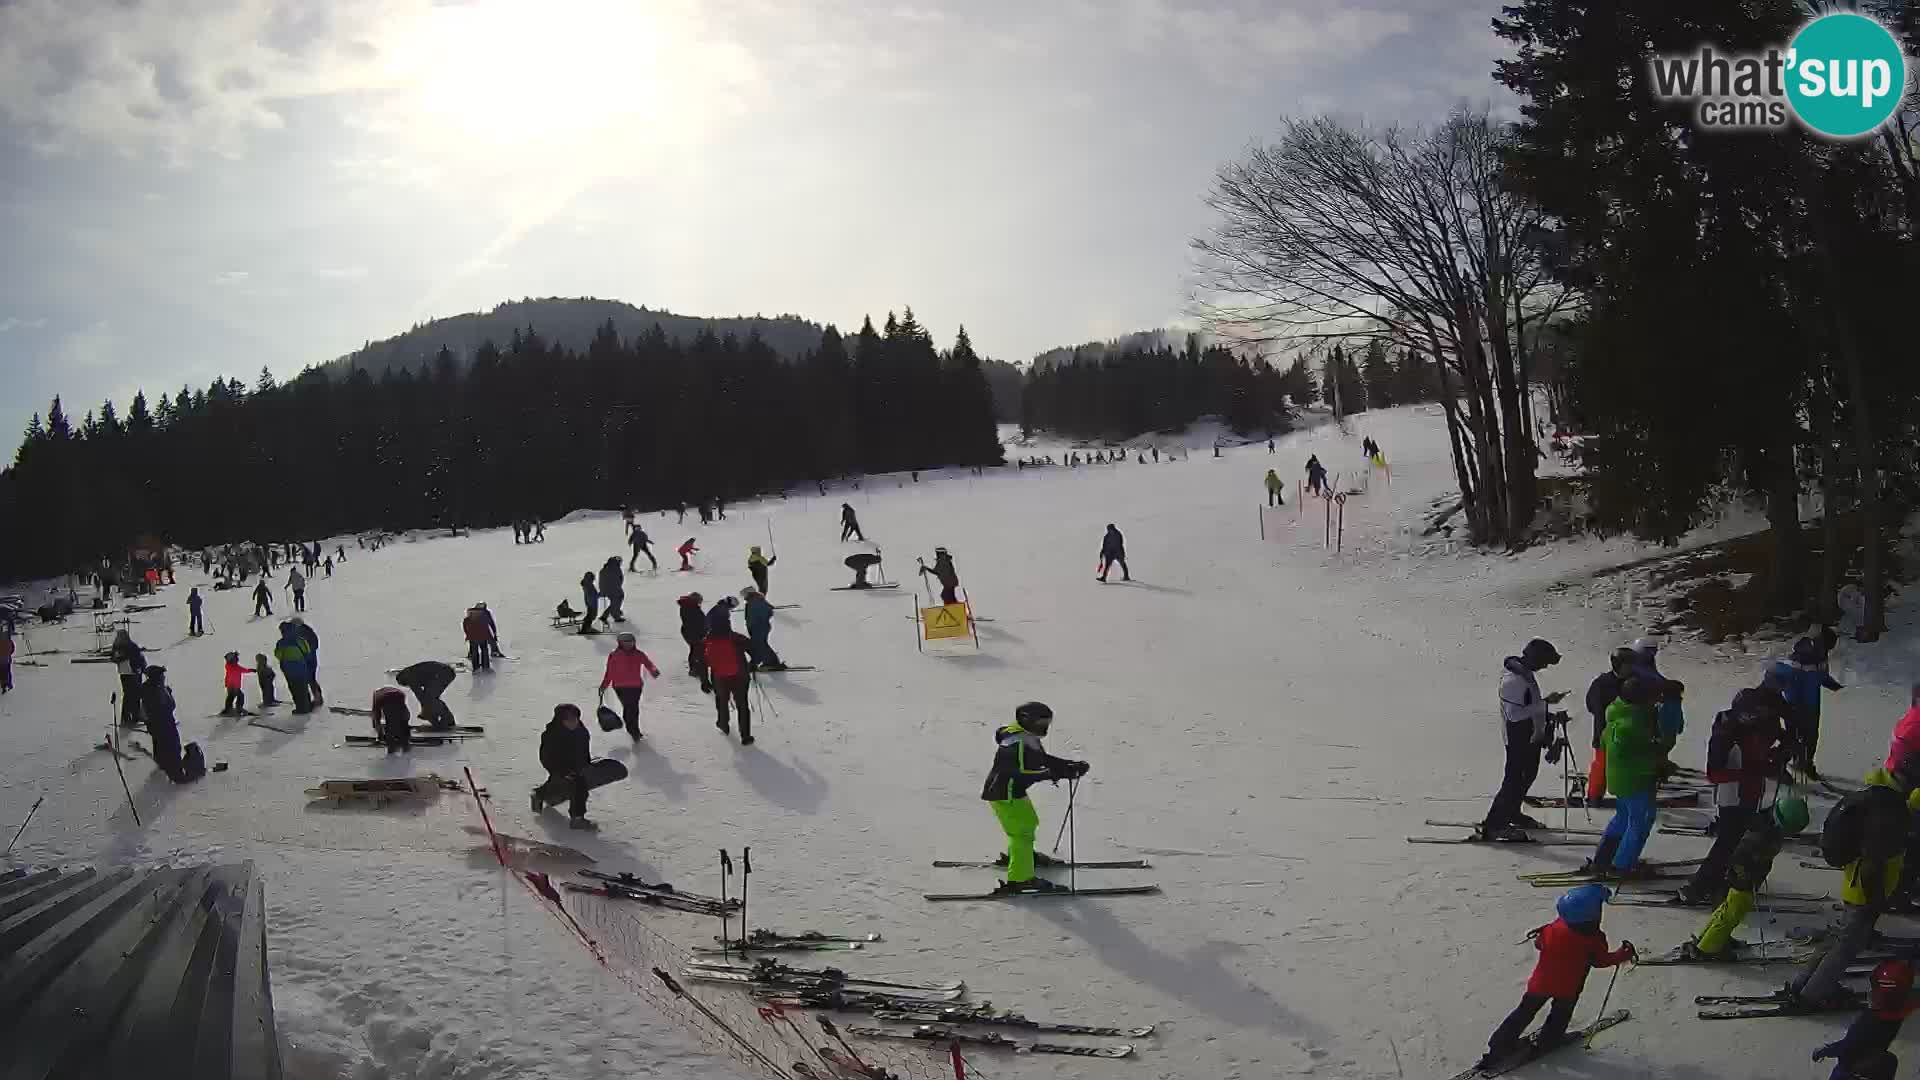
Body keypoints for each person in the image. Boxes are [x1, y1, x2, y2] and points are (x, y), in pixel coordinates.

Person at [1788, 765, 1915, 1006]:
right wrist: (1877, 899)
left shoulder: (1875, 795)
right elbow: (1872, 866)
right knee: (1847, 946)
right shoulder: (1888, 811)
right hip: (1864, 891)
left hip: (1854, 883)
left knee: (1839, 939)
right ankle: (1814, 993)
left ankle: (1804, 983)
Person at [1477, 884, 1634, 1069]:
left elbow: (1539, 943)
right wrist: (1622, 955)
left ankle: (1500, 1044)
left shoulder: (1554, 927)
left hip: (1539, 983)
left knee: (1523, 1013)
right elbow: (1600, 960)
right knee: (1560, 1013)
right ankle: (1551, 1039)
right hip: (1568, 987)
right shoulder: (1594, 939)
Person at [1678, 668, 1794, 904]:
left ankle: (1721, 881)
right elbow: (1715, 773)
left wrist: (1777, 756)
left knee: (1739, 840)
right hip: (1732, 796)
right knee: (1727, 842)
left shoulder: (1753, 729)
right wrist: (1755, 770)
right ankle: (1699, 886)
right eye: (1755, 716)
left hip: (1752, 792)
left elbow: (1762, 752)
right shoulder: (1725, 734)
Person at [979, 702, 1089, 894]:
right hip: (1006, 793)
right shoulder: (1016, 743)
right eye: (1040, 722)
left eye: (1047, 722)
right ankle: (1021, 879)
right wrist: (1057, 773)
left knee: (1028, 824)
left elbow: (1041, 760)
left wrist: (1069, 765)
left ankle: (1023, 857)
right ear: (1026, 720)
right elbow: (1023, 771)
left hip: (1012, 791)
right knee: (1021, 833)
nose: (1044, 726)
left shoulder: (1026, 737)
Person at [1684, 795, 1810, 958]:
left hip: (1749, 877)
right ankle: (1709, 948)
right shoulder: (1761, 834)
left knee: (1727, 910)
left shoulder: (1768, 827)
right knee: (1731, 913)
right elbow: (1739, 857)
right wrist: (1744, 877)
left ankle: (1712, 939)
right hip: (1742, 880)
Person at [1478, 638, 1566, 840]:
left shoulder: (1525, 675)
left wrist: (1548, 715)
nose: (1545, 667)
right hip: (1517, 735)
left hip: (1531, 733)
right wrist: (1545, 704)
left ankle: (1512, 813)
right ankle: (1495, 824)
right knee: (1513, 780)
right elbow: (1515, 715)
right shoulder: (1513, 681)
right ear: (1535, 659)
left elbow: (1529, 706)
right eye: (1544, 662)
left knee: (1528, 775)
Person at [1586, 676, 1661, 877]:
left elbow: (1605, 746)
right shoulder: (1632, 724)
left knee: (1623, 817)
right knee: (1640, 821)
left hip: (1620, 778)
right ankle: (1622, 865)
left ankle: (1604, 858)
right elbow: (1636, 753)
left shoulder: (1616, 714)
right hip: (1635, 779)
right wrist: (1656, 767)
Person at [1812, 959, 1919, 1080]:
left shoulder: (1868, 1022)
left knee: (1843, 1070)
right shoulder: (1898, 1014)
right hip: (1876, 1063)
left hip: (1852, 1069)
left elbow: (1847, 1046)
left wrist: (1824, 1051)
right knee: (1889, 1060)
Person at [1786, 635, 1844, 777]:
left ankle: (1805, 762)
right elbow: (1815, 676)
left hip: (1805, 700)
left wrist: (1834, 686)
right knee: (1800, 732)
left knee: (1807, 733)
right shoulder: (1807, 657)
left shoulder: (1818, 655)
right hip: (1799, 700)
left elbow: (1821, 676)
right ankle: (1797, 760)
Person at [1583, 648, 1634, 803]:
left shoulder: (1633, 682)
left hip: (1628, 733)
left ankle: (1628, 794)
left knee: (1627, 765)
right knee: (1602, 766)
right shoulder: (1602, 683)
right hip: (1604, 731)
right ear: (1617, 665)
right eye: (1628, 665)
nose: (1631, 668)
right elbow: (1592, 706)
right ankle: (1594, 796)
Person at [535, 703, 597, 829]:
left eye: (575, 719)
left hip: (576, 766)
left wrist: (586, 764)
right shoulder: (551, 734)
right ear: (560, 720)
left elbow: (584, 750)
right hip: (558, 766)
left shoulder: (582, 732)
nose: (572, 723)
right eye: (568, 720)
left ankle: (577, 818)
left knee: (579, 788)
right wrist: (560, 771)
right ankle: (539, 795)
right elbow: (546, 757)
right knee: (562, 784)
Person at [140, 665, 203, 783]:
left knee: (159, 744)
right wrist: (168, 694)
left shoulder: (148, 688)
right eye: (162, 675)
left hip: (155, 724)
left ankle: (163, 764)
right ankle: (176, 773)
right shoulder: (157, 690)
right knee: (172, 747)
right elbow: (169, 706)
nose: (164, 677)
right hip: (164, 723)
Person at [599, 632, 661, 739]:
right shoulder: (614, 655)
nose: (628, 644)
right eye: (625, 642)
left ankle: (633, 729)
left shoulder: (639, 654)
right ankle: (632, 729)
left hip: (635, 686)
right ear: (620, 643)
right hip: (620, 686)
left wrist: (653, 670)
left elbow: (648, 663)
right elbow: (610, 672)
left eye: (631, 641)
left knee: (633, 708)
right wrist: (604, 684)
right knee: (629, 707)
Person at [705, 621, 756, 745]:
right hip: (740, 675)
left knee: (722, 700)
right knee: (742, 705)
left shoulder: (708, 640)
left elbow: (704, 661)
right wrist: (752, 664)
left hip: (720, 677)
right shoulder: (736, 638)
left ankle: (723, 723)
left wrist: (705, 680)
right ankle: (745, 735)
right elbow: (753, 648)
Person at [394, 660, 458, 730]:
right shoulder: (414, 673)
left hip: (443, 673)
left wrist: (426, 712)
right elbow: (425, 694)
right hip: (443, 672)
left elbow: (420, 696)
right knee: (431, 699)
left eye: (405, 684)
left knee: (430, 699)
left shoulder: (410, 677)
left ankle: (447, 719)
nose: (408, 686)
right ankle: (444, 719)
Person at [274, 622, 315, 714]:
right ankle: (307, 705)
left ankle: (301, 708)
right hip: (302, 667)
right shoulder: (300, 640)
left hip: (289, 670)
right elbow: (307, 651)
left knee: (295, 689)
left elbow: (278, 655)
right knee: (303, 687)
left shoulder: (281, 643)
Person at [110, 629, 148, 727]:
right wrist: (143, 670)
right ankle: (135, 716)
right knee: (135, 695)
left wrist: (120, 658)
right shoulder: (131, 646)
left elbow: (113, 659)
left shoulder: (116, 647)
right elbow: (139, 659)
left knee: (127, 695)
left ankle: (125, 717)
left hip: (123, 673)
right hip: (133, 673)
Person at [742, 588, 785, 671]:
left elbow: (767, 611)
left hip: (759, 627)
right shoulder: (753, 601)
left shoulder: (755, 600)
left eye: (744, 594)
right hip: (756, 627)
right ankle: (758, 662)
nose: (744, 597)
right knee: (758, 645)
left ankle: (771, 662)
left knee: (760, 644)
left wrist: (760, 621)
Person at [677, 592, 711, 691]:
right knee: (697, 649)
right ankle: (695, 668)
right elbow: (695, 622)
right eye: (699, 601)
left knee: (695, 649)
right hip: (693, 633)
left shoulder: (689, 606)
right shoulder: (690, 608)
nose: (700, 603)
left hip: (691, 632)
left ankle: (694, 668)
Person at [370, 686, 412, 753]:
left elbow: (376, 716)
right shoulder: (381, 692)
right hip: (400, 694)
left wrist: (380, 734)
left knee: (390, 721)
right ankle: (405, 740)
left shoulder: (377, 697)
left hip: (386, 698)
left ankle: (392, 744)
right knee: (402, 718)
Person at [292, 616, 323, 705]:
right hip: (309, 659)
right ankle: (317, 697)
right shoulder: (306, 632)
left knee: (310, 679)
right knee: (310, 679)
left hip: (308, 660)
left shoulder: (303, 633)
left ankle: (317, 698)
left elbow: (312, 646)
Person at [220, 651, 254, 715]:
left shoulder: (231, 666)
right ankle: (237, 708)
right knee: (238, 696)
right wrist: (250, 670)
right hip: (233, 685)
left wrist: (251, 670)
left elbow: (242, 669)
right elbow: (242, 670)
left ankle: (229, 709)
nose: (237, 659)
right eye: (236, 658)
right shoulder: (233, 667)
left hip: (231, 685)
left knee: (231, 697)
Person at [463, 605, 494, 672]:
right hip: (482, 637)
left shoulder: (468, 617)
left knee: (474, 652)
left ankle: (475, 667)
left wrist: (467, 635)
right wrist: (491, 638)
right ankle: (485, 666)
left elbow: (465, 626)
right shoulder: (483, 617)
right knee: (484, 650)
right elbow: (486, 628)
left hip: (472, 637)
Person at [598, 558, 626, 623]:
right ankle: (616, 616)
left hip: (605, 590)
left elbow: (601, 581)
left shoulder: (603, 570)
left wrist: (602, 590)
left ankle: (605, 616)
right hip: (614, 589)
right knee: (617, 600)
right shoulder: (616, 569)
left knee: (614, 602)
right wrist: (618, 588)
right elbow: (620, 579)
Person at [1, 629, 14, 694]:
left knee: (3, 673)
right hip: (7, 659)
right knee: (7, 672)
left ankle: (4, 686)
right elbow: (12, 648)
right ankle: (8, 685)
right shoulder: (8, 640)